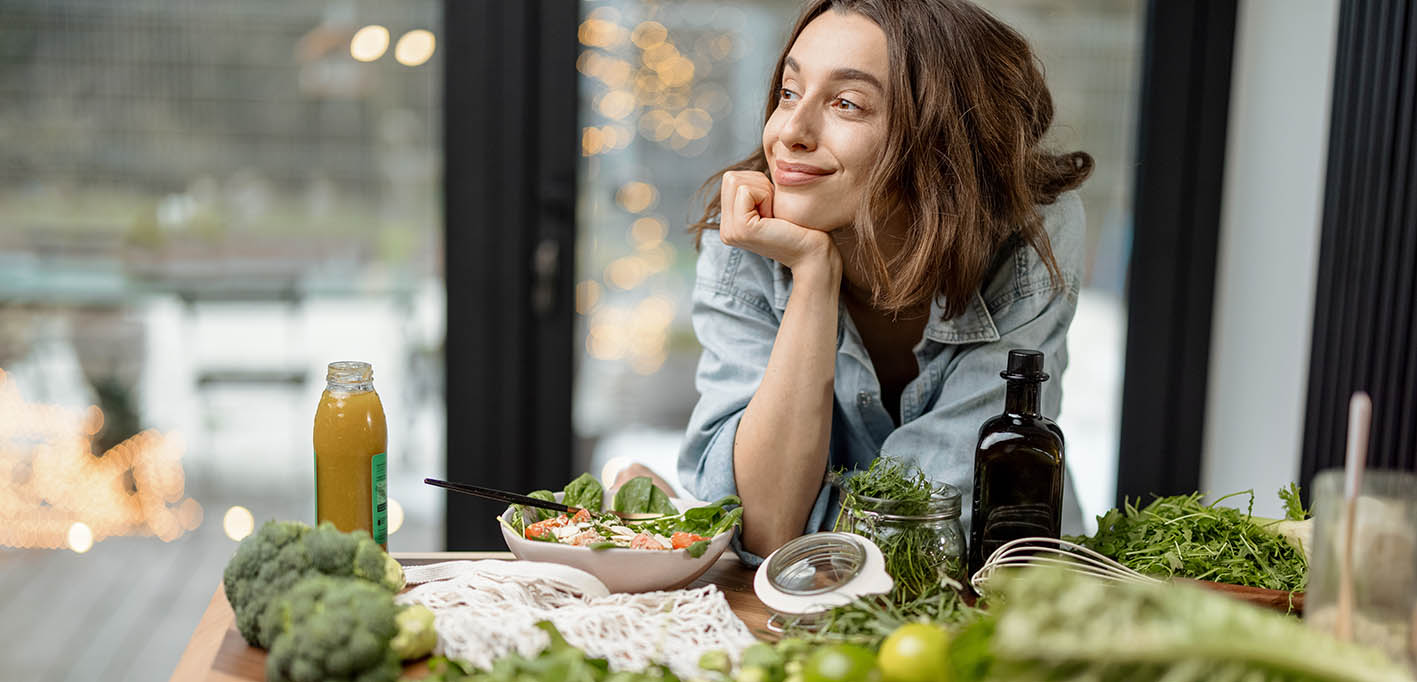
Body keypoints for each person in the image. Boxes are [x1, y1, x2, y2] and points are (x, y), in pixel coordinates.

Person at [619, 0, 1093, 564]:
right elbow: (767, 527)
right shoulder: (747, 234)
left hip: (994, 596)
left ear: (939, 140)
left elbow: (932, 531)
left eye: (847, 103)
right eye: (789, 92)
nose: (789, 132)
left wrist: (755, 520)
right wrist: (813, 275)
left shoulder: (1028, 235)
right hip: (799, 617)